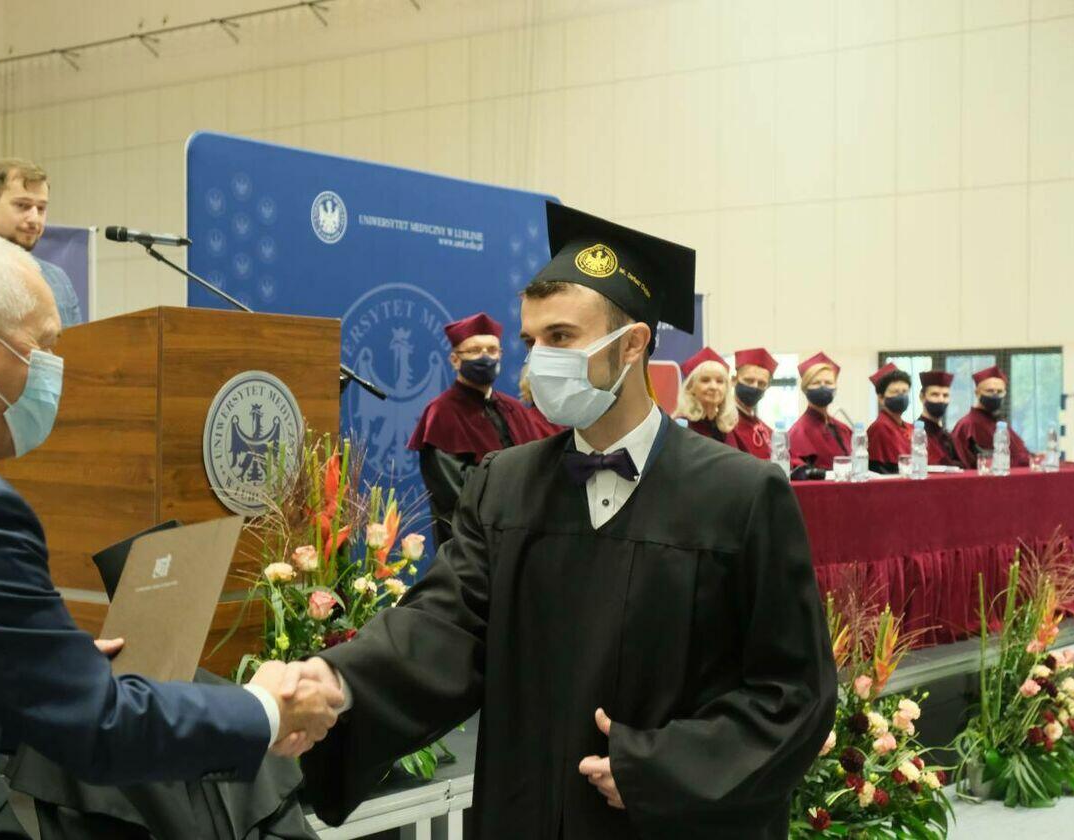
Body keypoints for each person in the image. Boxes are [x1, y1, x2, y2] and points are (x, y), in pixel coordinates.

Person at [297, 202, 837, 839]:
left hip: (667, 823)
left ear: (632, 345)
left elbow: (792, 692)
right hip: (526, 810)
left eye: (560, 337)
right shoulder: (504, 484)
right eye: (531, 342)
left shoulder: (740, 495)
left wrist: (659, 767)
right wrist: (339, 677)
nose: (537, 361)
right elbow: (444, 625)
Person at [0, 227, 342, 839]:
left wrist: (38, 662)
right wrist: (266, 707)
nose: (56, 371)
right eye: (44, 347)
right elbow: (101, 726)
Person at [408, 312, 557, 546]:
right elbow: (453, 493)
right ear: (455, 360)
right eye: (475, 350)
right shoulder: (441, 414)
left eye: (492, 350)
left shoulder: (514, 409)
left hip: (525, 539)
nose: (485, 357)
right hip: (470, 543)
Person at [0, 158, 82, 327]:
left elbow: (78, 342)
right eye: (22, 205)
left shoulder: (59, 280)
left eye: (41, 208)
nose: (35, 219)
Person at [950, 365, 1032, 469]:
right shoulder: (967, 425)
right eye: (990, 391)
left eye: (999, 391)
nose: (995, 395)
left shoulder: (1000, 424)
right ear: (977, 393)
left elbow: (1020, 454)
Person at [787, 351, 851, 477]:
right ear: (805, 389)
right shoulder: (798, 432)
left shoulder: (844, 429)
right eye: (816, 383)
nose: (823, 387)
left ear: (835, 388)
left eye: (828, 383)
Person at [673, 346, 738, 444]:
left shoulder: (727, 427)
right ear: (690, 387)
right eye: (705, 380)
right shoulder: (680, 427)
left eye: (719, 381)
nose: (714, 387)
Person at [725, 347, 777, 459]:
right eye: (749, 380)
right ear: (734, 380)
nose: (754, 387)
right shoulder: (724, 423)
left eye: (761, 383)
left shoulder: (766, 430)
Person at [866, 363, 913, 474]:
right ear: (881, 398)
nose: (901, 396)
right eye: (895, 392)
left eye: (905, 392)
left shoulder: (910, 427)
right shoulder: (880, 427)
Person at [916, 370, 961, 467]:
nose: (941, 400)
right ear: (922, 397)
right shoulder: (917, 433)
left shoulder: (947, 436)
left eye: (945, 395)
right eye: (935, 394)